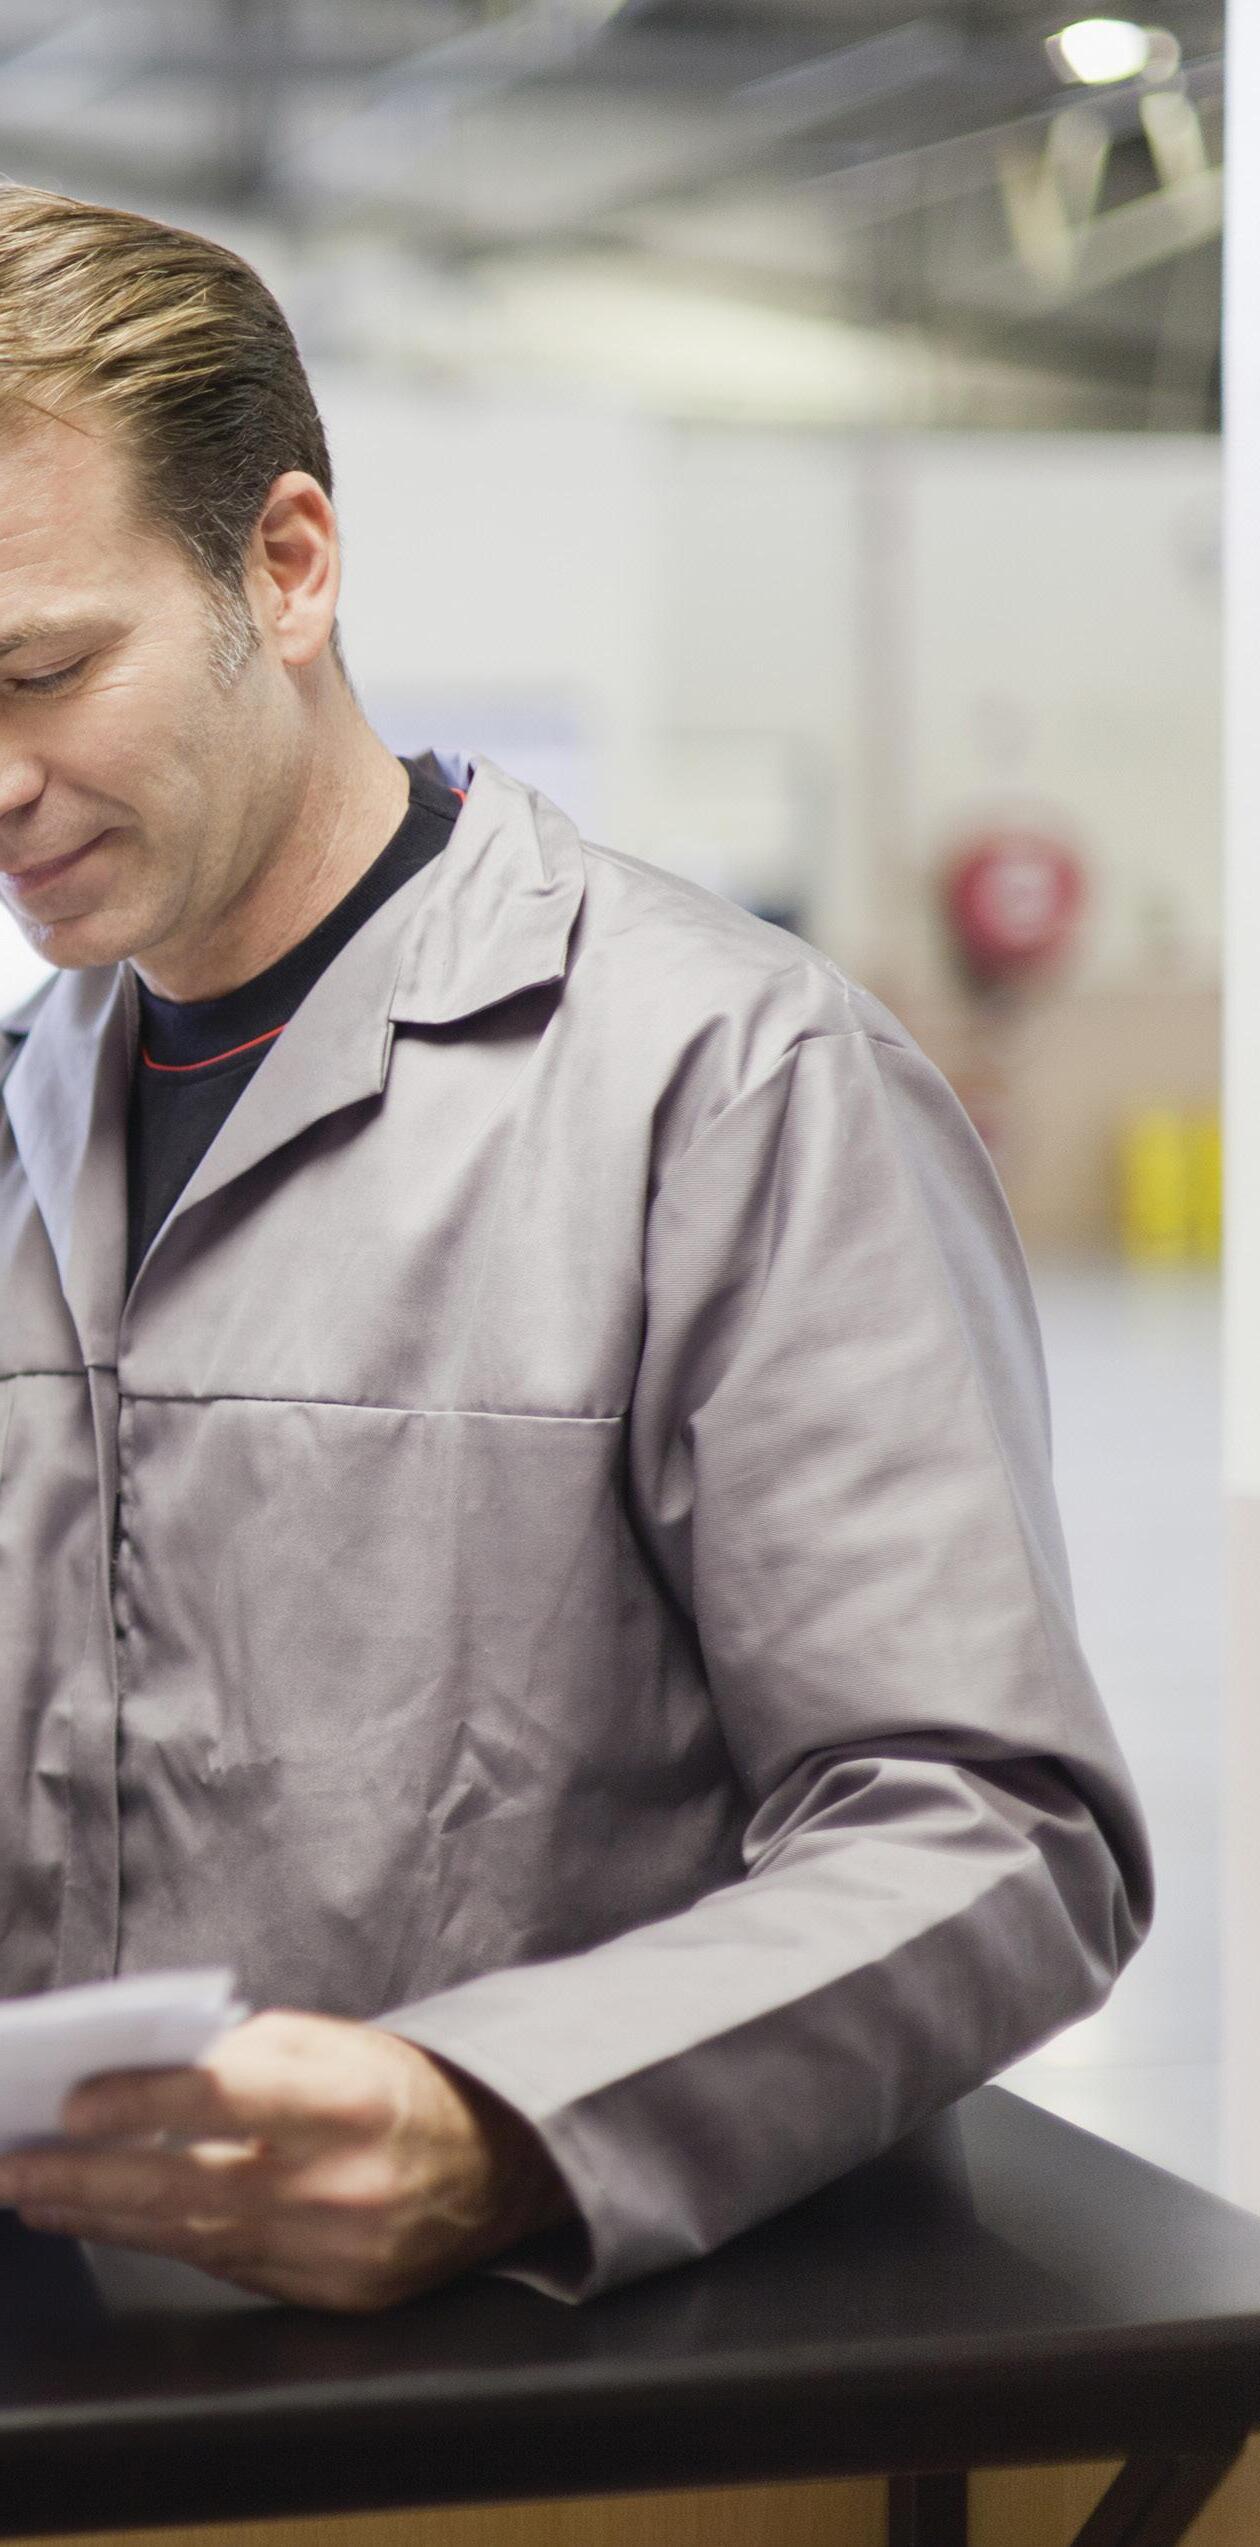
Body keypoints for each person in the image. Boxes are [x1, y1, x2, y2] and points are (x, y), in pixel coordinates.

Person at [0, 185, 1152, 2314]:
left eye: (45, 672)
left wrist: (495, 2120)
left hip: (526, 2377)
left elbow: (989, 1830)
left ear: (288, 565)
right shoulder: (21, 1119)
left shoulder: (724, 1088)